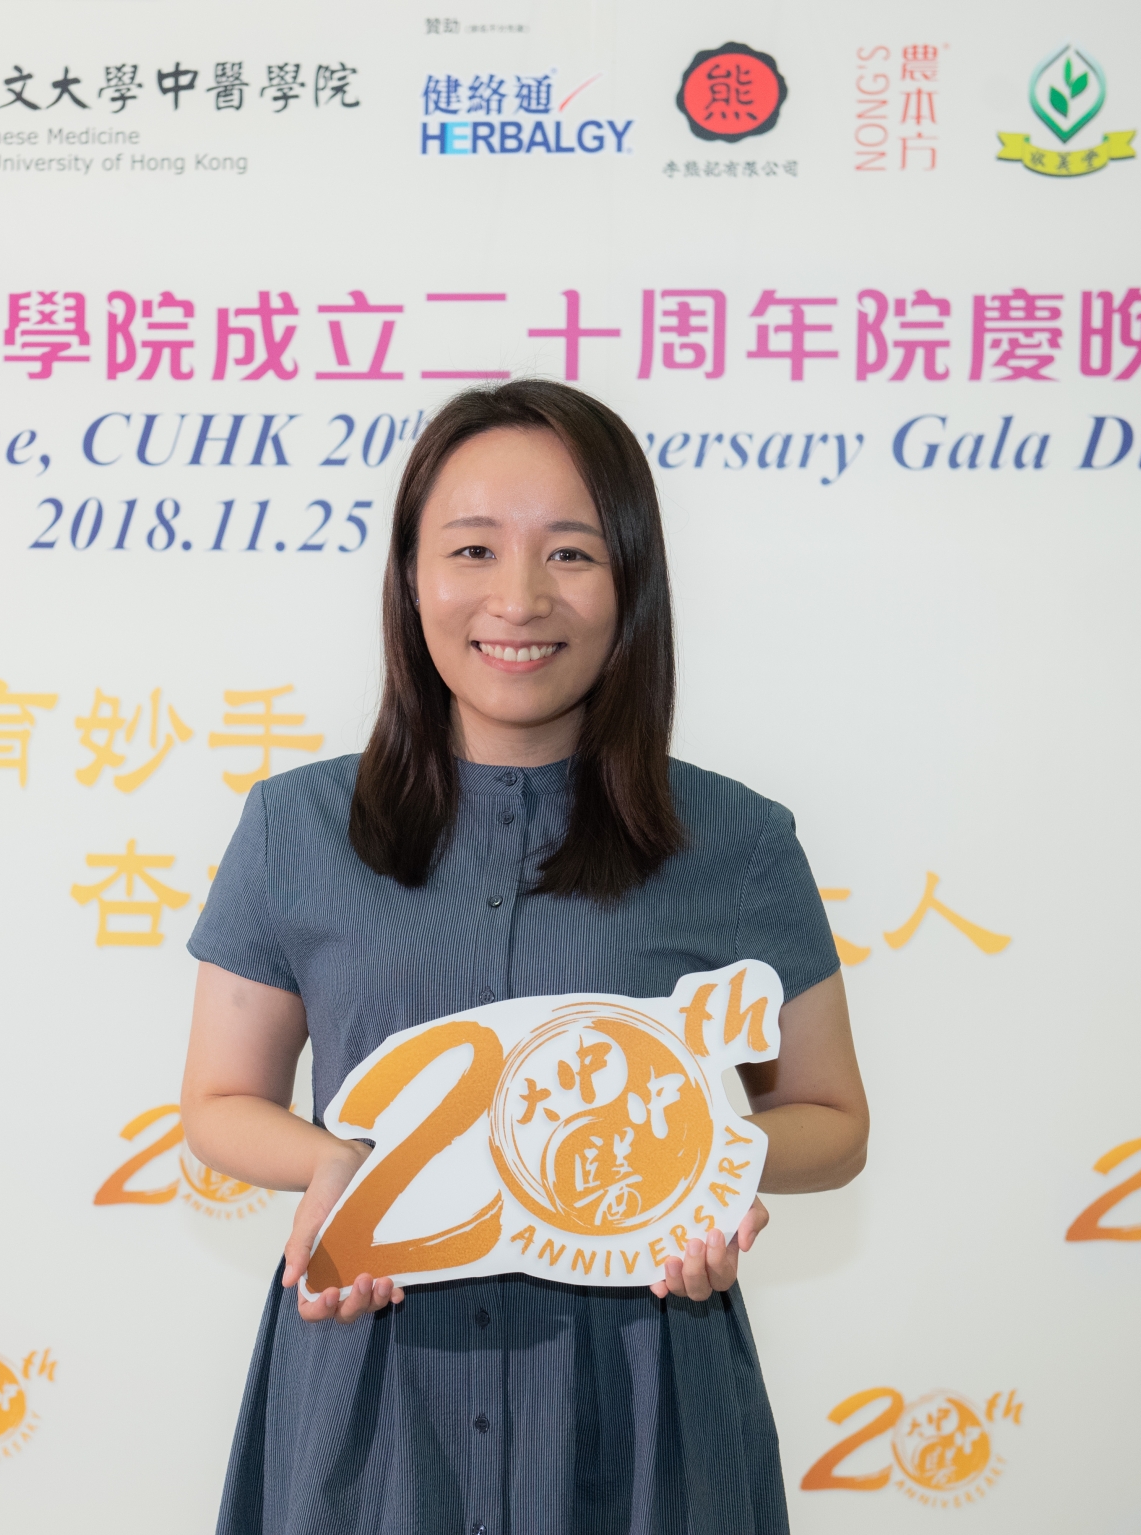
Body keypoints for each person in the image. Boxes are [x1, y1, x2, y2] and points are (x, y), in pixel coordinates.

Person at [179, 380, 870, 1534]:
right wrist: (337, 1165)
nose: (517, 597)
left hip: (640, 1401)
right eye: (470, 548)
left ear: (631, 581)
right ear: (409, 575)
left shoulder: (737, 841)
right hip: (371, 1391)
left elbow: (832, 1119)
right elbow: (216, 1099)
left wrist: (707, 1171)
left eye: (569, 553)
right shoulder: (294, 827)